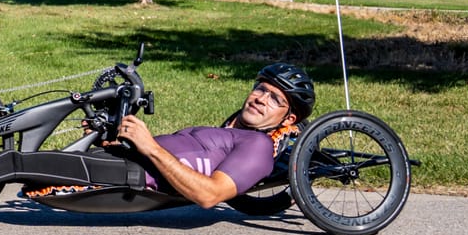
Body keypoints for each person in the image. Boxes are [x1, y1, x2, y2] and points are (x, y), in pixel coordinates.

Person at [106, 62, 314, 206]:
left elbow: (210, 195)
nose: (261, 99)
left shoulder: (259, 145)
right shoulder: (231, 135)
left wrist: (150, 147)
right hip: (120, 161)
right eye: (260, 89)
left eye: (275, 99)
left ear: (289, 120)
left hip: (126, 172)